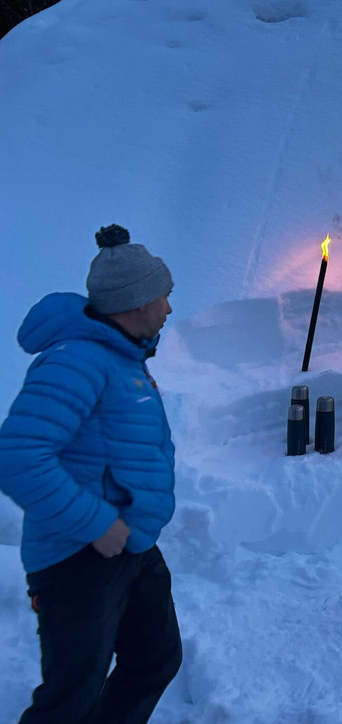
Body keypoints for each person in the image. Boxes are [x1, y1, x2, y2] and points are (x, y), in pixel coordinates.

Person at [0, 224, 182, 724]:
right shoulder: (77, 360)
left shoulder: (122, 357)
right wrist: (99, 525)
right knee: (70, 699)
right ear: (135, 301)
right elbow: (17, 456)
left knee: (155, 659)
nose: (168, 307)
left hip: (132, 547)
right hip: (80, 556)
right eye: (163, 296)